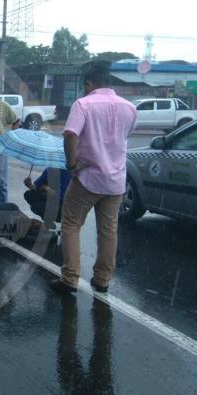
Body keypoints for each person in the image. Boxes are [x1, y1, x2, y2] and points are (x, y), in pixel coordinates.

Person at [50, 65, 137, 294]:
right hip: (116, 180)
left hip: (88, 177)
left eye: (84, 86)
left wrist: (71, 164)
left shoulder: (83, 104)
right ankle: (103, 279)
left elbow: (70, 134)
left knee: (70, 225)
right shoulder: (129, 108)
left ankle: (69, 278)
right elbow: (123, 138)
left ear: (89, 84)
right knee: (108, 230)